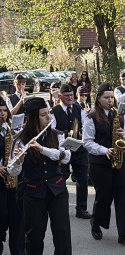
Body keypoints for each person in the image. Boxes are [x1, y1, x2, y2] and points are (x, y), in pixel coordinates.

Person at [8, 96, 72, 255]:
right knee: (35, 234)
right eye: (44, 115)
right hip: (34, 192)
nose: (48, 117)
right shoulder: (19, 139)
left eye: (48, 113)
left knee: (62, 233)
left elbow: (66, 156)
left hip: (57, 189)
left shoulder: (56, 134)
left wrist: (42, 149)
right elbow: (12, 171)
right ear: (34, 118)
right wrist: (18, 161)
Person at [82, 82, 125, 245]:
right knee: (104, 196)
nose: (110, 101)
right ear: (98, 98)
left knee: (123, 197)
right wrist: (104, 150)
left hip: (121, 160)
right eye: (107, 98)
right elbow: (87, 142)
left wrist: (124, 135)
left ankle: (123, 233)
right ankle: (96, 222)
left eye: (112, 97)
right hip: (100, 163)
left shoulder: (120, 114)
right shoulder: (92, 116)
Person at [51, 83, 90, 219]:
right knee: (62, 177)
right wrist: (63, 133)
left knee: (82, 178)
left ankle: (81, 208)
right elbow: (51, 129)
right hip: (63, 149)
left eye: (72, 95)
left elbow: (85, 125)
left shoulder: (79, 108)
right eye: (66, 96)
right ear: (60, 96)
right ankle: (60, 206)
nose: (69, 98)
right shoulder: (54, 111)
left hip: (79, 149)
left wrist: (80, 133)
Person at [0, 97, 25, 255]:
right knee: (2, 214)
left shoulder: (8, 129)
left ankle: (17, 252)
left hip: (11, 176)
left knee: (16, 215)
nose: (2, 114)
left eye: (4, 111)